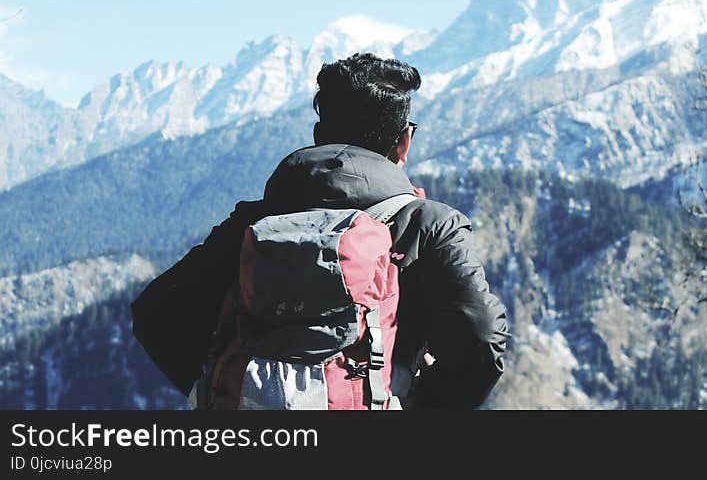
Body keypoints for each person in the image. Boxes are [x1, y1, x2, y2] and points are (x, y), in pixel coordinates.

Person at [131, 52, 509, 409]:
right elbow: (483, 341)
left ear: (318, 135)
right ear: (404, 142)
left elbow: (156, 314)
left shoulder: (255, 224)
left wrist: (220, 391)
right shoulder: (429, 225)